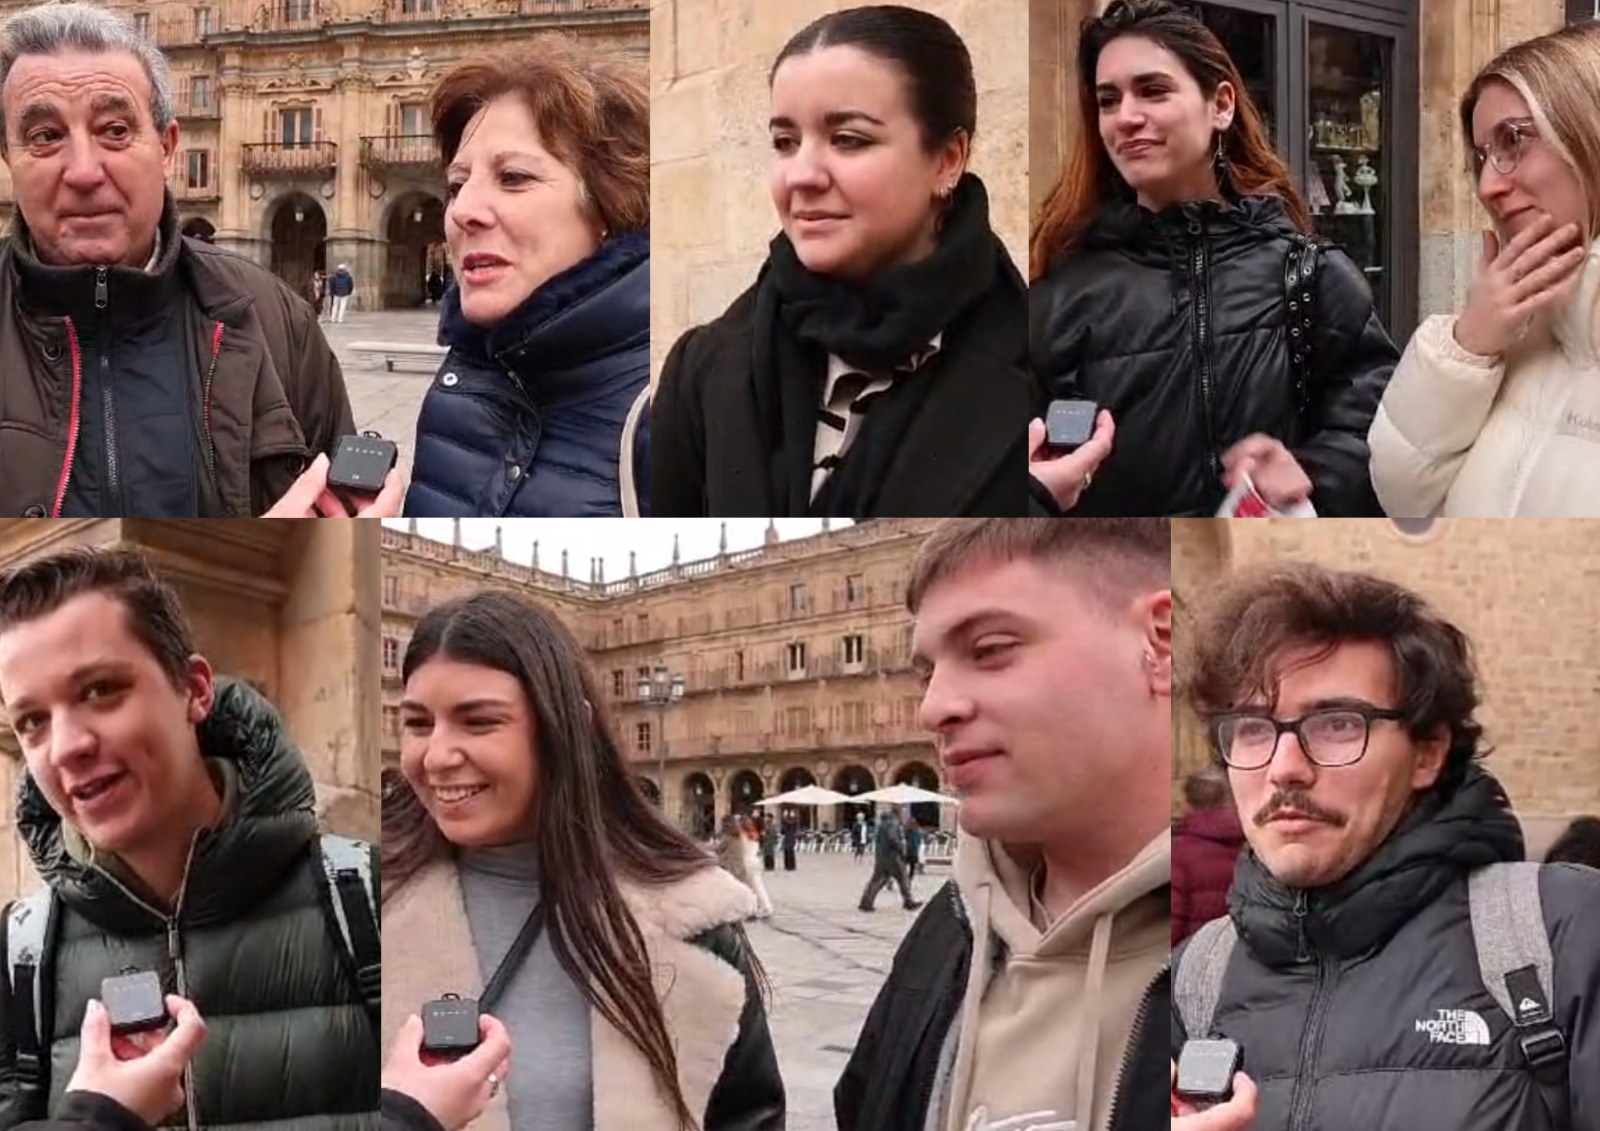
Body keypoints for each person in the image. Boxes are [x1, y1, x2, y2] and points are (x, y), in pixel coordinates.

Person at [1174, 561, 1600, 1129]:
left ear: (1428, 752)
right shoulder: (1192, 978)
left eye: (1337, 723)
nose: (1285, 769)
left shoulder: (1561, 933)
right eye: (1252, 729)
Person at [0, 547, 380, 1128]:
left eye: (100, 690)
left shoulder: (370, 900)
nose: (66, 746)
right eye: (32, 721)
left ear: (194, 690)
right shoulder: (16, 957)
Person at [381, 591, 785, 1131]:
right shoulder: (351, 908)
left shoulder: (694, 919)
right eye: (418, 724)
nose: (436, 756)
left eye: (478, 722)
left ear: (567, 727)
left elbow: (750, 1119)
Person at [837, 519, 1172, 1131]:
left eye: (990, 650)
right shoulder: (944, 934)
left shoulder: (1263, 949)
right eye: (926, 672)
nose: (933, 707)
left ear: (1162, 642)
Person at [0, 2, 390, 518]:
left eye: (114, 130)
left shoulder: (277, 319)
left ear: (167, 147)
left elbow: (341, 515)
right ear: (9, 158)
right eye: (45, 136)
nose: (84, 171)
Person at [653, 5, 1026, 518]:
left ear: (947, 159)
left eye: (848, 139)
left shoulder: (1046, 361)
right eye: (785, 142)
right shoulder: (701, 370)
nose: (801, 174)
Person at [1029, 0, 1396, 517]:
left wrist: (1312, 470)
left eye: (1153, 91)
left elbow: (1382, 426)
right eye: (1108, 100)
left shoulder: (1309, 273)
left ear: (1220, 105)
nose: (1126, 118)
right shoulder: (1061, 295)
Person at [403, 38, 651, 519]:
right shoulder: (468, 374)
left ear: (612, 203)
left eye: (513, 177)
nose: (462, 212)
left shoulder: (674, 407)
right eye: (457, 186)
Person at [1368, 22, 1600, 516]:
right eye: (1481, 156)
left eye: (1513, 141)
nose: (1488, 185)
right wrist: (1467, 348)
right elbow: (1403, 499)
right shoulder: (1508, 333)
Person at [1171, 767, 1245, 946]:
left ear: (1188, 802)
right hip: (1238, 957)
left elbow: (1174, 921)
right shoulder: (1250, 849)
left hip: (1192, 959)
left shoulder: (1179, 853)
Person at [856, 809, 920, 913]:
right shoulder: (892, 824)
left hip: (881, 857)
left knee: (876, 881)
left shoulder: (881, 825)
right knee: (903, 879)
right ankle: (908, 902)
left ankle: (865, 903)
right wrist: (901, 849)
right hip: (893, 858)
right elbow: (893, 839)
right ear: (897, 814)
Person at [742, 817, 774, 920]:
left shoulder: (743, 835)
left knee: (751, 887)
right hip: (755, 861)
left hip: (747, 862)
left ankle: (760, 908)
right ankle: (762, 907)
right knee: (757, 886)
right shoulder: (755, 834)